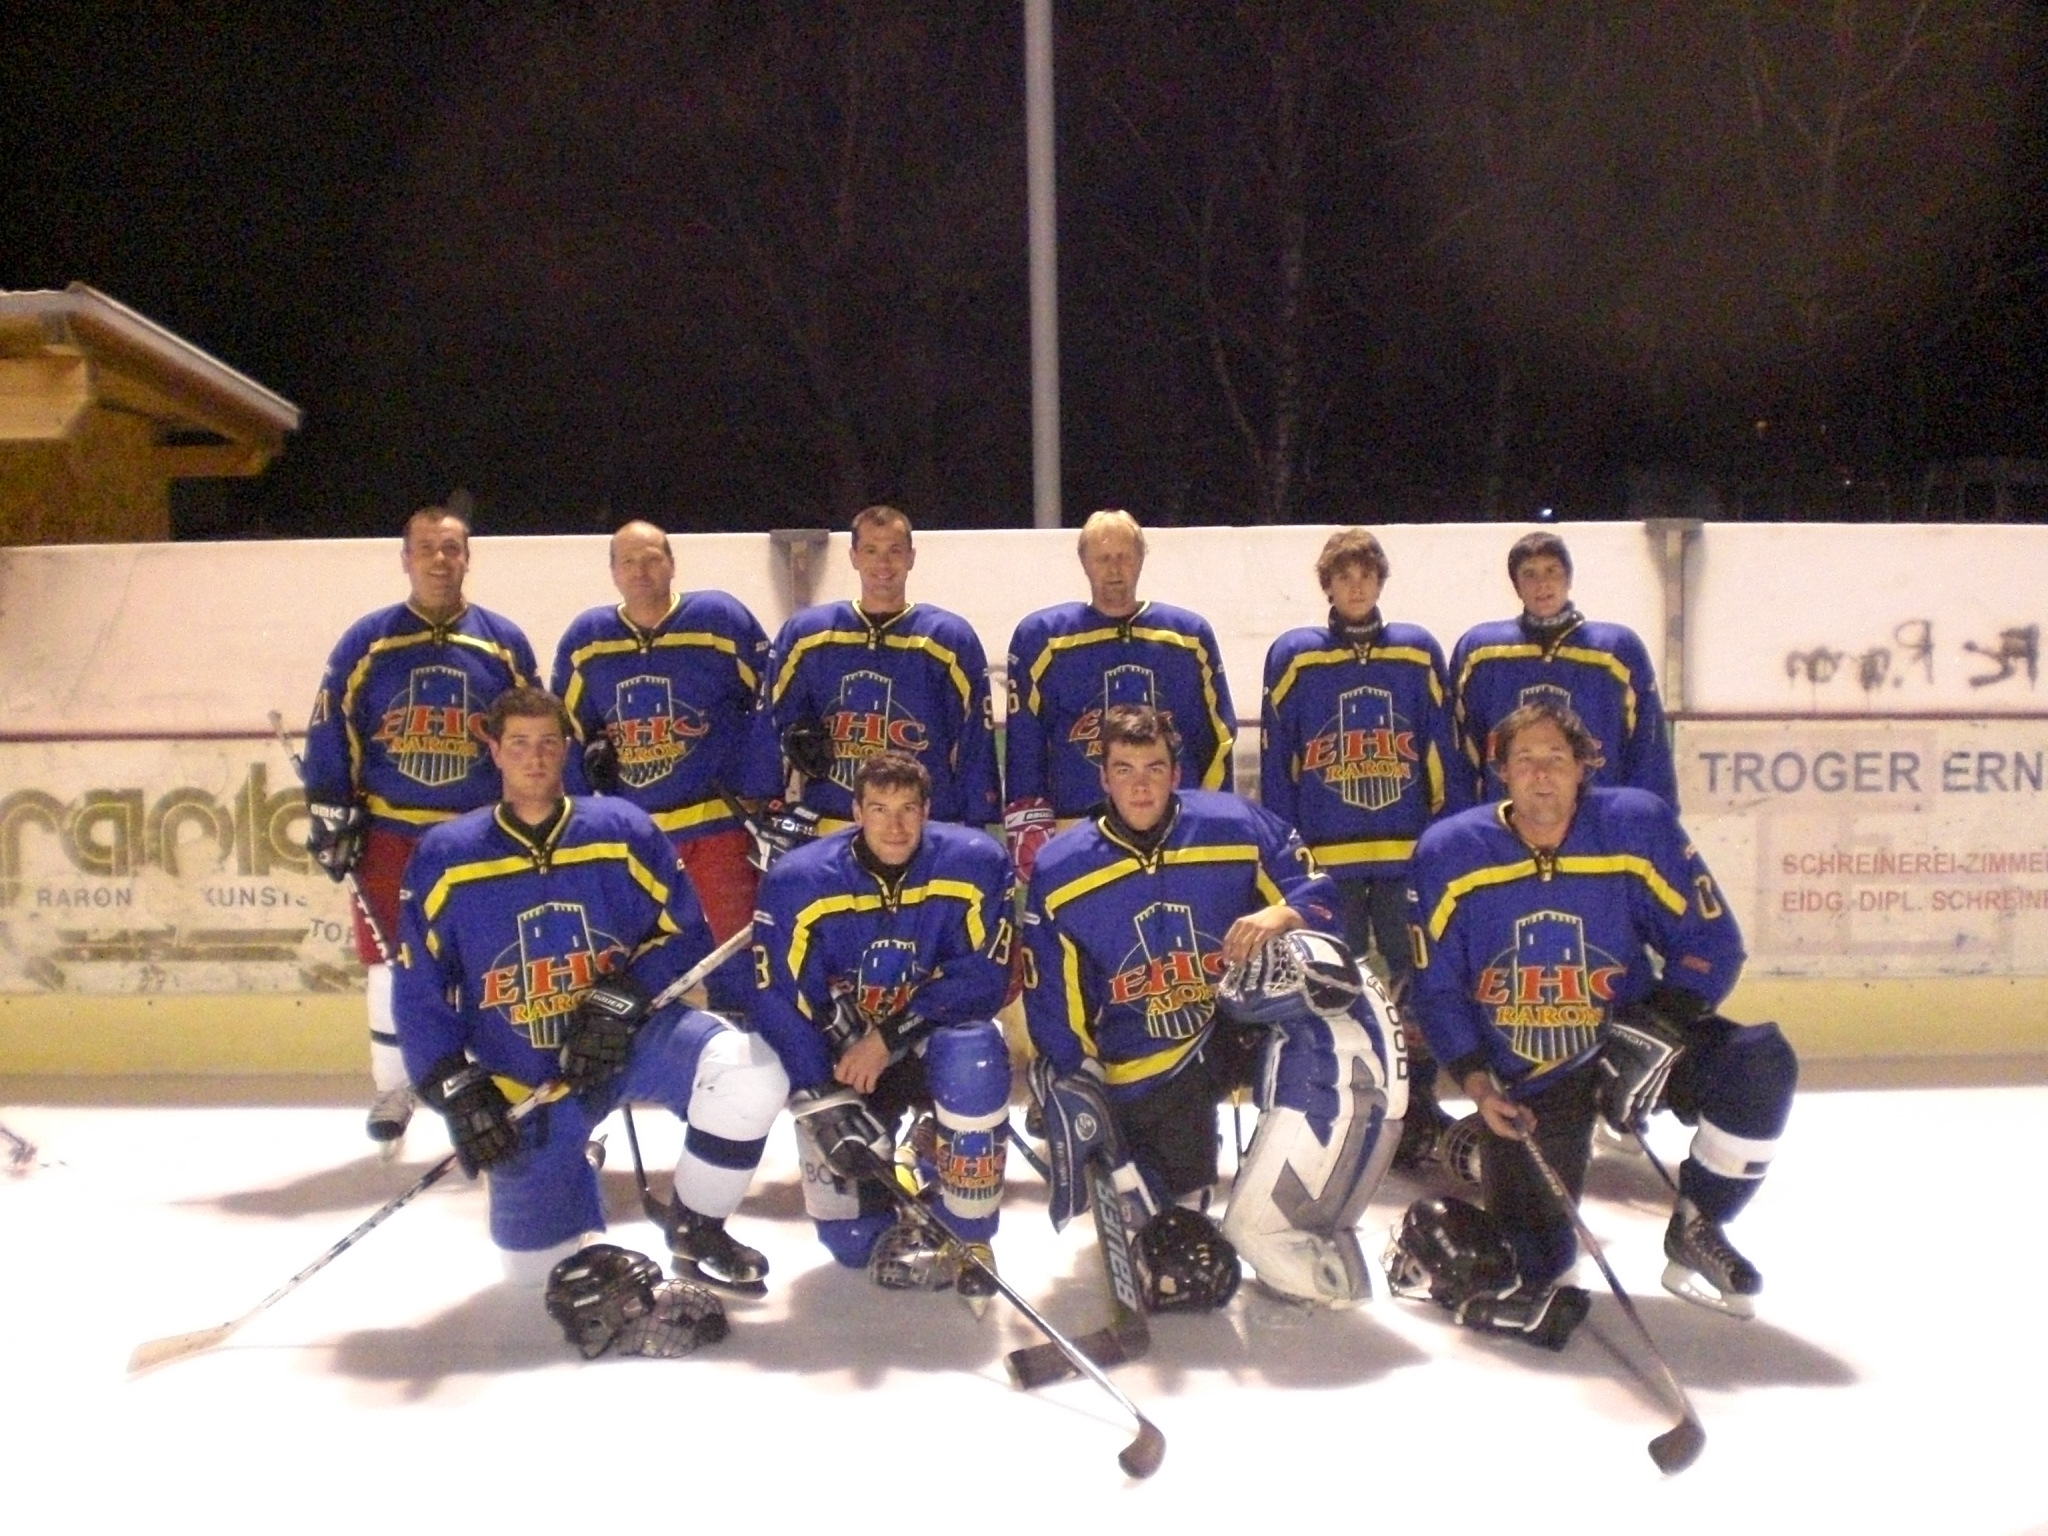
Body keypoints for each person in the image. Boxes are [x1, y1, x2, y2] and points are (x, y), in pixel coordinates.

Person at [1391, 699, 1795, 1348]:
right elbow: (1436, 990)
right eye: (1525, 759)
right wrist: (1480, 1087)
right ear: (1502, 772)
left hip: (1625, 1047)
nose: (1541, 773)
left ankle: (1699, 1223)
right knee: (1538, 1269)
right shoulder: (1451, 852)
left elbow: (1712, 942)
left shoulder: (1635, 826)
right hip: (1529, 1083)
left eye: (1556, 757)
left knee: (1757, 1063)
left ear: (1584, 766)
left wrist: (1655, 1034)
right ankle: (1462, 1217)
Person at [393, 687, 787, 1341]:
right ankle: (574, 1160)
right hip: (526, 1078)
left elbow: (684, 932)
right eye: (519, 743)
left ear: (567, 748)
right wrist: (453, 1087)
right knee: (533, 1277)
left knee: (751, 1070)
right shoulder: (447, 855)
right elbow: (419, 989)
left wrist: (621, 996)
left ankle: (697, 1226)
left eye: (549, 743)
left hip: (632, 1040)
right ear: (494, 750)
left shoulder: (621, 830)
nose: (535, 757)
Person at [1022, 705, 1400, 1309]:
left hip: (1241, 1022)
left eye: (1154, 768)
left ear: (1176, 774)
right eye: (1124, 770)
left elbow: (1322, 898)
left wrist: (1286, 913)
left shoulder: (1236, 826)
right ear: (1104, 778)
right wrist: (1075, 1075)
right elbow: (1053, 995)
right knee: (1179, 1227)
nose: (1140, 785)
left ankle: (1286, 1221)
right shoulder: (1062, 868)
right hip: (1147, 1054)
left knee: (1341, 1022)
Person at [301, 504, 539, 1149]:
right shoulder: (367, 642)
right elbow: (331, 726)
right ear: (405, 558)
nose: (440, 559)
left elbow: (533, 733)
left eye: (451, 548)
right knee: (389, 962)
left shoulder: (503, 642)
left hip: (477, 836)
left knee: (492, 961)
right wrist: (329, 807)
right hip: (391, 834)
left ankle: (501, 1085)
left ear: (468, 558)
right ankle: (394, 1087)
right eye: (427, 547)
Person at [749, 751, 1015, 1299]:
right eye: (879, 809)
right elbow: (779, 998)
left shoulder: (974, 863)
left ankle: (969, 1227)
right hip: (845, 1058)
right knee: (854, 1245)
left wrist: (889, 1036)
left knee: (977, 1054)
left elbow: (984, 979)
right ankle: (914, 1151)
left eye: (907, 809)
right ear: (856, 812)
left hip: (925, 1043)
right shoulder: (800, 881)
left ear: (927, 811)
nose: (895, 826)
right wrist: (819, 1093)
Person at [1259, 527, 1467, 1165]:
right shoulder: (1295, 656)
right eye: (1344, 577)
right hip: (1329, 865)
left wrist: (1447, 840)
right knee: (1328, 989)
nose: (1356, 586)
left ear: (1380, 581)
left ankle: (1420, 1108)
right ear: (1327, 585)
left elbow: (1442, 750)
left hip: (1405, 859)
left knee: (1417, 988)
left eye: (1366, 575)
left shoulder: (1416, 651)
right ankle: (1333, 1107)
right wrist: (1287, 856)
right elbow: (1280, 760)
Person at [551, 520, 776, 1014]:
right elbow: (566, 732)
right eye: (628, 561)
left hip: (716, 826)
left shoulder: (719, 620)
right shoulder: (587, 640)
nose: (641, 571)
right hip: (636, 838)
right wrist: (581, 816)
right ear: (613, 571)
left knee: (736, 956)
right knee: (633, 962)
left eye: (652, 558)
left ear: (672, 564)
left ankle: (746, 1054)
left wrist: (761, 788)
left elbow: (770, 700)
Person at [1002, 510, 1236, 884]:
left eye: (1124, 556)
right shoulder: (1042, 639)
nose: (1114, 569)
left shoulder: (1188, 638)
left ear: (1141, 558)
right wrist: (1027, 822)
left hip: (1175, 833)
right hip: (1077, 832)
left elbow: (1216, 739)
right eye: (1102, 558)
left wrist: (1211, 816)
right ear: (1084, 563)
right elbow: (1025, 746)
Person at [751, 505, 999, 833]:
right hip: (831, 827)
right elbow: (771, 723)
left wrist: (975, 823)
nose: (883, 563)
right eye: (871, 550)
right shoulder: (806, 636)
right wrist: (764, 800)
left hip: (920, 830)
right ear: (853, 556)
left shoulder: (949, 639)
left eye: (894, 551)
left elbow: (974, 741)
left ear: (911, 557)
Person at [1448, 531, 1677, 808]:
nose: (1542, 583)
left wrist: (1653, 818)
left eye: (1551, 571)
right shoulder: (1480, 654)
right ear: (1516, 586)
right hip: (1508, 821)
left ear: (1568, 579)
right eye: (1529, 574)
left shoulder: (1617, 651)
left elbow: (1648, 751)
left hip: (1595, 822)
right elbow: (1460, 751)